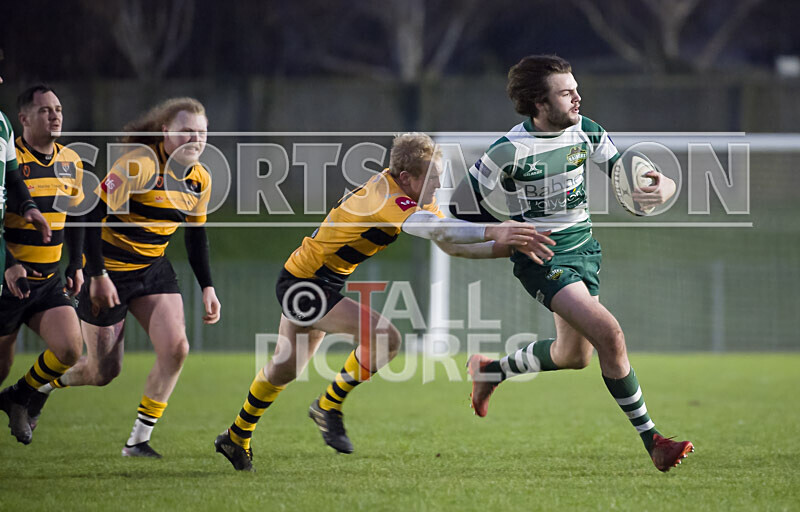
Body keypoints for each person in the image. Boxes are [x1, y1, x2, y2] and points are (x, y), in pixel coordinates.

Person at [214, 132, 554, 471]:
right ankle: (328, 405)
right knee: (384, 337)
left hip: (319, 279)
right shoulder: (385, 196)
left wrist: (509, 247)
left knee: (286, 367)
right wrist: (496, 231)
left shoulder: (413, 198)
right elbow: (440, 232)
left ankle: (236, 436)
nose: (438, 186)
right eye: (433, 179)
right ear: (407, 178)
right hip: (303, 283)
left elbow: (450, 243)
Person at [450, 55, 693, 472]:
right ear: (539, 104)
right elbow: (459, 205)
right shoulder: (507, 150)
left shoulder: (586, 131)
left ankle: (492, 371)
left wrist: (664, 186)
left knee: (573, 355)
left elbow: (633, 175)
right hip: (543, 258)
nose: (578, 97)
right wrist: (503, 229)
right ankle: (654, 440)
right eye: (566, 92)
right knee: (610, 335)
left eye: (575, 88)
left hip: (585, 251)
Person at [32, 97, 221, 458]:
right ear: (165, 131)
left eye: (202, 132)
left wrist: (208, 287)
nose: (196, 139)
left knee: (177, 348)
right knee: (102, 372)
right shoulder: (139, 165)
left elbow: (196, 236)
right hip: (108, 271)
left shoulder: (199, 180)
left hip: (151, 269)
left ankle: (138, 441)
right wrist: (95, 273)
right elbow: (87, 213)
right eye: (186, 132)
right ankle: (40, 388)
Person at [0, 85, 83, 445]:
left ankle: (21, 395)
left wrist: (76, 265)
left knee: (69, 348)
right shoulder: (11, 156)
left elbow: (78, 216)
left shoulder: (71, 161)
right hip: (7, 282)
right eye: (45, 110)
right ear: (24, 119)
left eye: (59, 109)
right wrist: (10, 261)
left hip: (47, 282)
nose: (55, 115)